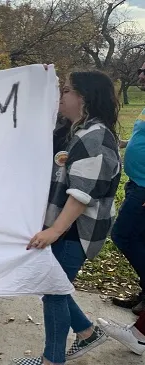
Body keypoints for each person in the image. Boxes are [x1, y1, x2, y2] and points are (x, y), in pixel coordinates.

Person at [12, 70, 122, 365]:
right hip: (65, 226)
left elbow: (80, 196)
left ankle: (52, 360)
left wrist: (55, 231)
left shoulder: (95, 137)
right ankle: (86, 332)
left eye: (67, 91)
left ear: (84, 99)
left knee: (53, 293)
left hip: (76, 230)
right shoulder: (79, 131)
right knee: (54, 286)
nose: (61, 97)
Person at [109, 63, 145, 316]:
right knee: (140, 239)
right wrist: (121, 142)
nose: (140, 75)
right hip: (136, 183)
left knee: (123, 235)